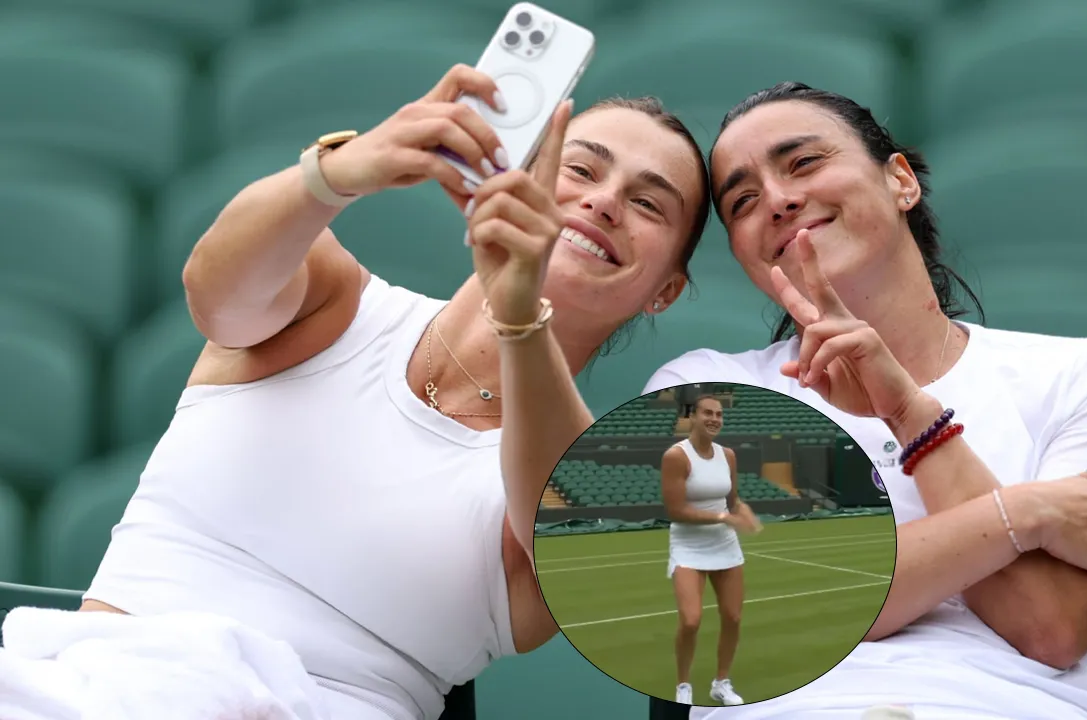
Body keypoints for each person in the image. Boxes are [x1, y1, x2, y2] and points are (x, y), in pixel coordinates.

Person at [68, 65, 712, 720]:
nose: (604, 201)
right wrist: (338, 172)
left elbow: (582, 553)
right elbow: (214, 289)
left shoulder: (608, 480)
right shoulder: (330, 298)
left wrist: (519, 319)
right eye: (580, 169)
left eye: (648, 203)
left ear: (666, 290)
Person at [644, 82, 1087, 720]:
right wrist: (1027, 514)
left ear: (900, 181)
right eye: (743, 200)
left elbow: (1051, 626)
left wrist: (911, 416)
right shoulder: (707, 390)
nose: (778, 200)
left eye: (803, 163)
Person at [661, 393, 761, 707]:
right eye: (707, 413)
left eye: (719, 414)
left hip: (725, 545)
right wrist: (721, 516)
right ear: (692, 417)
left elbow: (732, 500)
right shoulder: (676, 457)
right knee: (690, 620)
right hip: (688, 545)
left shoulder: (728, 455)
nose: (714, 419)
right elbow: (676, 510)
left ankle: (721, 682)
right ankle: (683, 685)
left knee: (732, 617)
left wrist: (744, 512)